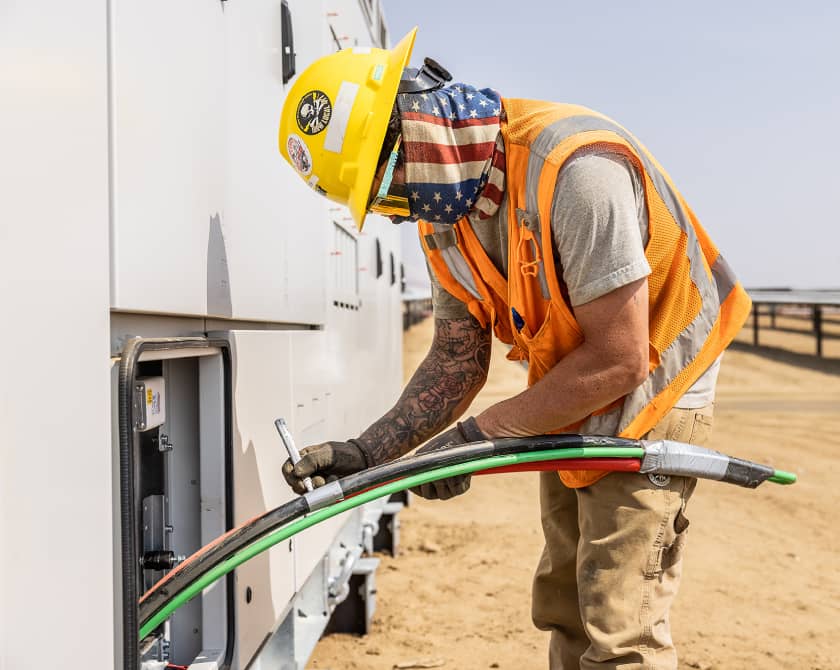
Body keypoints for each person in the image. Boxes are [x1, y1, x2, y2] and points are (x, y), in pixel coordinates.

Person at [277, 28, 751, 670]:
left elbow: (620, 359)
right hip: (572, 381)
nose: (396, 210)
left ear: (420, 123)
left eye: (389, 180)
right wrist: (369, 453)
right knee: (564, 600)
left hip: (655, 378)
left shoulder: (577, 171)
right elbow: (455, 357)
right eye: (379, 199)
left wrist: (476, 441)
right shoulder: (444, 214)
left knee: (618, 622)